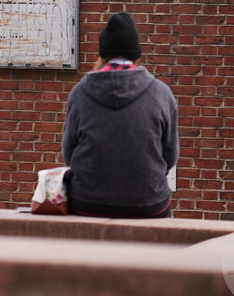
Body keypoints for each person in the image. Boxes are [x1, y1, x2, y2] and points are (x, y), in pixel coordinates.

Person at [61, 11, 179, 218]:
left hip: (87, 202)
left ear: (102, 53)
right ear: (137, 55)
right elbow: (170, 155)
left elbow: (69, 152)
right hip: (149, 203)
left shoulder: (79, 93)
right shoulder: (161, 93)